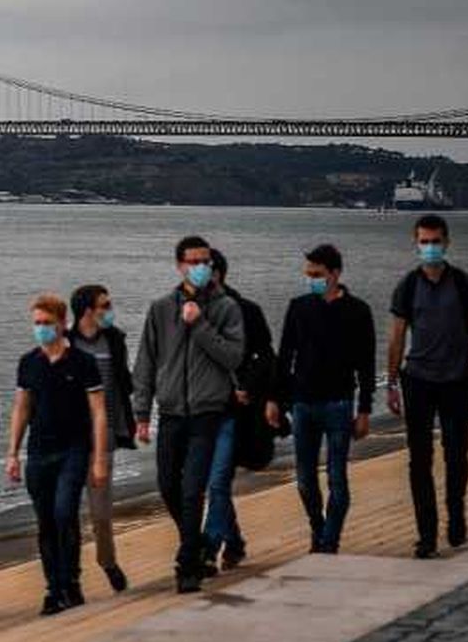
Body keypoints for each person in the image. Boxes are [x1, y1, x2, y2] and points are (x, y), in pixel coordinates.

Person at [133, 235, 245, 593]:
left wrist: (199, 325)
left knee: (193, 486)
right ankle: (195, 546)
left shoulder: (225, 308)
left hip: (206, 410)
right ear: (180, 265)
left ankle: (186, 565)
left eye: (206, 262)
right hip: (170, 411)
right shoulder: (161, 308)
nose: (201, 268)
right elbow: (146, 361)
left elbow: (233, 357)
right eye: (194, 262)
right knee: (168, 484)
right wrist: (141, 411)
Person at [387, 214, 468, 558]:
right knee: (420, 460)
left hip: (457, 381)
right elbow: (397, 336)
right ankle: (426, 535)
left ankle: (456, 517)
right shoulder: (407, 285)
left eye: (435, 241)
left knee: (457, 454)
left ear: (446, 243)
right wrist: (391, 382)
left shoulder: (464, 283)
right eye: (424, 241)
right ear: (415, 244)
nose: (429, 247)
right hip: (417, 381)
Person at [267, 244, 376, 554]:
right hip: (302, 403)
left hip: (339, 403)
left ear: (335, 274)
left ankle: (329, 543)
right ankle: (318, 527)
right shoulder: (299, 307)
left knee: (337, 478)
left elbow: (366, 364)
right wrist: (275, 399)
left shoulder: (358, 311)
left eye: (317, 275)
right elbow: (285, 355)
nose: (311, 280)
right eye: (308, 274)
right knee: (304, 480)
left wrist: (365, 409)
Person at [7, 293, 110, 615]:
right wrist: (12, 453)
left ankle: (71, 581)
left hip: (73, 450)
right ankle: (54, 588)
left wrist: (99, 458)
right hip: (39, 452)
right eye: (37, 324)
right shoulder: (29, 363)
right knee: (46, 522)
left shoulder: (82, 363)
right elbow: (22, 408)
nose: (41, 329)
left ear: (62, 324)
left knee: (65, 513)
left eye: (47, 323)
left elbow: (98, 413)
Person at [201, 248, 276, 573]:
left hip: (234, 410)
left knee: (218, 482)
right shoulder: (188, 311)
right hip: (201, 409)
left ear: (218, 273)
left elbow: (266, 356)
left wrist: (252, 389)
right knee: (212, 482)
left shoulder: (246, 311)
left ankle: (208, 548)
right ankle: (234, 541)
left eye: (203, 268)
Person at [67, 284, 135, 593]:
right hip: (71, 435)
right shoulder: (66, 343)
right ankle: (70, 575)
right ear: (87, 311)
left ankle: (108, 562)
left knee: (100, 510)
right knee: (65, 510)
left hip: (104, 433)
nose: (109, 310)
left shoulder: (114, 339)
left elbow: (125, 381)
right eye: (104, 305)